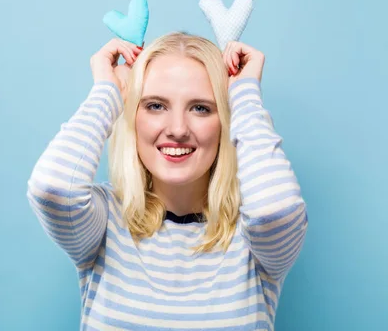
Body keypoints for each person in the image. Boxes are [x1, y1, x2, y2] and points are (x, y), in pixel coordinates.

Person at [26, 32, 308, 330]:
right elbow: (52, 189)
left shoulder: (253, 236)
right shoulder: (104, 221)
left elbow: (274, 211)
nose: (177, 129)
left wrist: (245, 98)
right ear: (131, 113)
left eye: (201, 108)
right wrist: (107, 93)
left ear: (225, 119)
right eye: (155, 106)